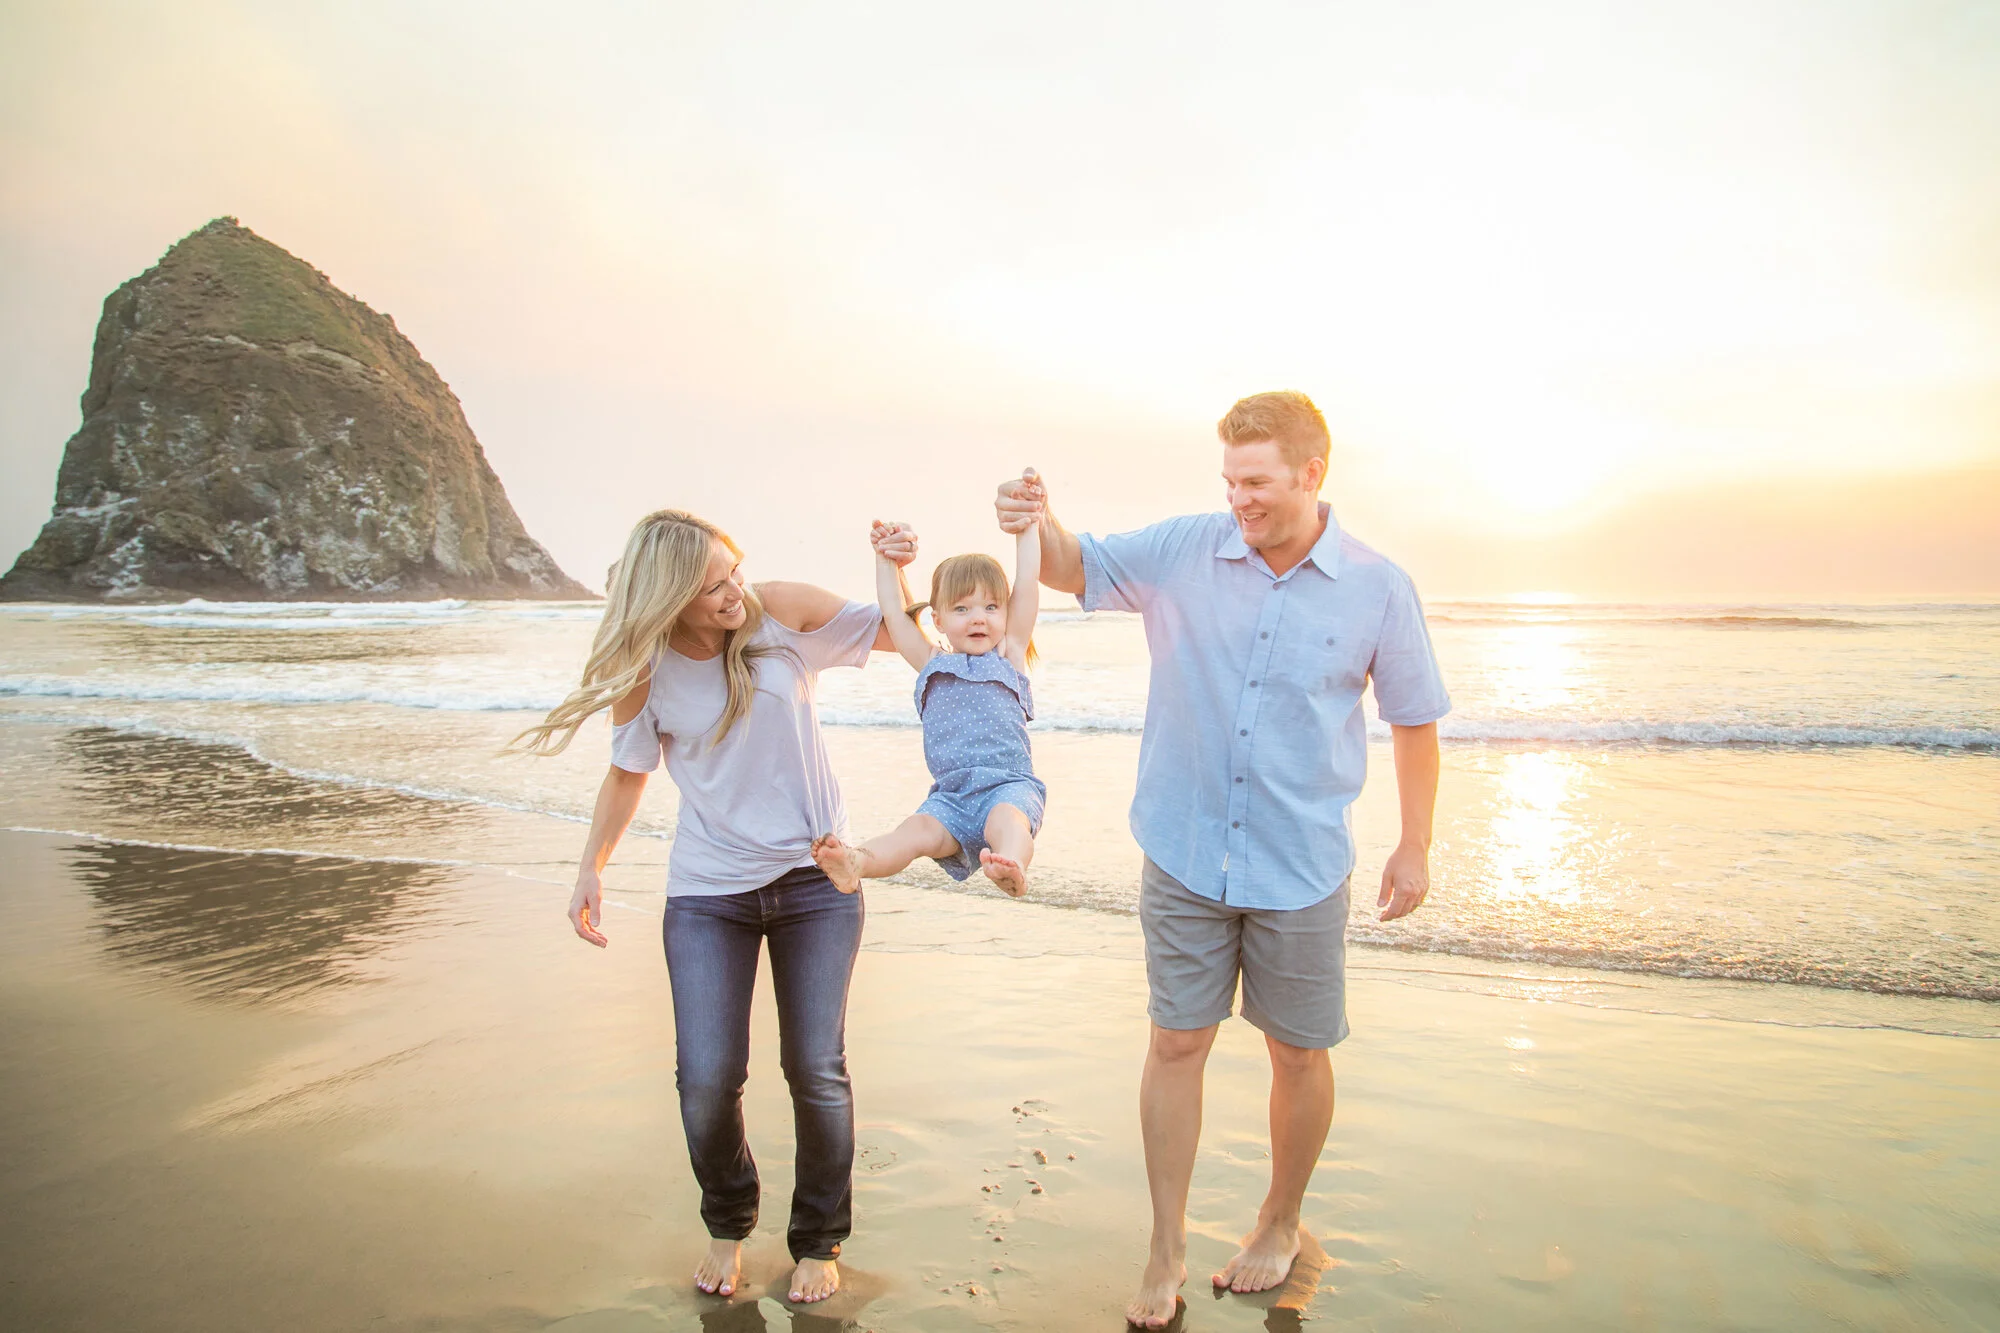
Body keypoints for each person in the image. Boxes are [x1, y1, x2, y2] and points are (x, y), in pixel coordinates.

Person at [994, 392, 1450, 1329]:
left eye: (1257, 481)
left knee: (1299, 1049)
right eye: (1229, 479)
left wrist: (1416, 842)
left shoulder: (1377, 584)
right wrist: (1037, 518)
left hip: (1302, 861)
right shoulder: (1186, 548)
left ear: (1312, 472)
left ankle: (1279, 1220)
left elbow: (1415, 720)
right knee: (1176, 1040)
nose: (1238, 498)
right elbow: (1078, 565)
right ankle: (1165, 1243)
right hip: (1186, 847)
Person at [514, 508, 919, 1306]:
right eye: (713, 584)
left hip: (816, 885)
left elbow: (900, 635)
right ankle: (728, 1222)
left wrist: (898, 565)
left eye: (734, 569)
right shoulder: (647, 668)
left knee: (816, 1067)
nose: (735, 590)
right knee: (705, 1079)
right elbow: (629, 773)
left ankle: (818, 1239)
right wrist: (589, 866)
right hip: (708, 893)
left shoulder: (782, 613)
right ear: (670, 594)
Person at [811, 504, 1047, 898]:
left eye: (991, 607)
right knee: (915, 831)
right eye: (962, 609)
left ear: (1006, 612)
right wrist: (885, 559)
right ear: (937, 619)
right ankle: (858, 861)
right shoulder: (930, 664)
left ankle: (1012, 866)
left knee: (1009, 822)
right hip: (950, 798)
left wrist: (1027, 528)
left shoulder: (1010, 657)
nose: (978, 618)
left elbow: (1027, 581)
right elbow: (893, 610)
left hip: (1007, 786)